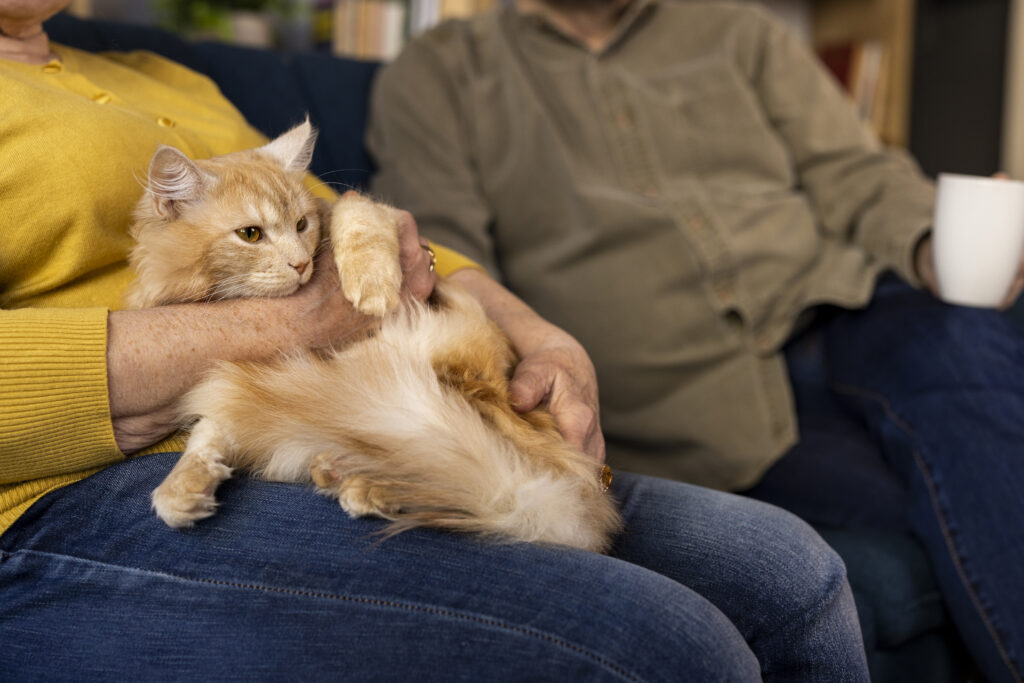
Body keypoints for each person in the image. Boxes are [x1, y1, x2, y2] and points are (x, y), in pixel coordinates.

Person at [0, 1, 871, 679]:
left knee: (793, 573)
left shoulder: (162, 76)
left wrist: (543, 336)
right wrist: (285, 323)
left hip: (324, 399)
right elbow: (306, 295)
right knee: (668, 648)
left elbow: (345, 230)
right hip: (65, 493)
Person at [366, 0, 1024, 681]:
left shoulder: (740, 32)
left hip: (841, 308)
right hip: (693, 402)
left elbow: (856, 172)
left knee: (966, 339)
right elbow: (448, 265)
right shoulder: (438, 74)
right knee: (973, 494)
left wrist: (935, 244)